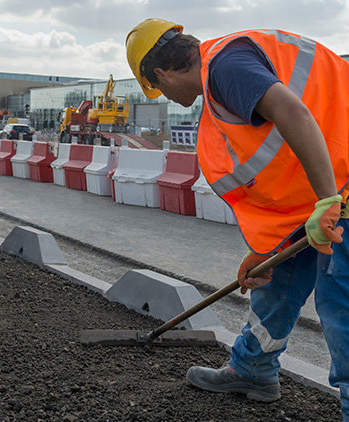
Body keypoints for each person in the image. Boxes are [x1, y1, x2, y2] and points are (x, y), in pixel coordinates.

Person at [126, 18, 349, 419]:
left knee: (341, 300)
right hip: (326, 186)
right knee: (276, 279)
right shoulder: (222, 78)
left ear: (160, 73)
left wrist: (327, 201)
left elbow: (292, 113)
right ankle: (253, 369)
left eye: (157, 87)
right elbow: (279, 165)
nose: (163, 94)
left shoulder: (226, 66)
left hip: (341, 188)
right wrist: (268, 249)